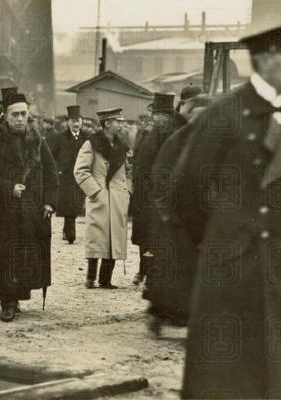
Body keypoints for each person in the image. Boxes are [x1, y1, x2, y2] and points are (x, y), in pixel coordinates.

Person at [178, 20, 281, 398]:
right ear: (267, 60)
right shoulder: (224, 114)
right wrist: (222, 238)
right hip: (232, 269)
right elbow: (186, 189)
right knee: (228, 376)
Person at [0, 92, 58, 322]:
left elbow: (51, 172)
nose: (20, 119)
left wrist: (50, 202)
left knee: (25, 254)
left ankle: (18, 295)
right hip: (2, 211)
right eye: (15, 115)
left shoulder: (37, 141)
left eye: (23, 114)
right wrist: (8, 187)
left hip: (31, 210)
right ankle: (7, 301)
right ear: (5, 116)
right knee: (4, 253)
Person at [142, 93, 210, 335]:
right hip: (173, 217)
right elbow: (159, 178)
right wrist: (166, 213)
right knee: (170, 272)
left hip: (198, 216)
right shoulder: (176, 141)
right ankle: (158, 313)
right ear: (189, 115)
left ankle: (188, 318)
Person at [74, 108, 132, 289]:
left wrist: (127, 191)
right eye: (117, 121)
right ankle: (90, 277)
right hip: (100, 197)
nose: (121, 124)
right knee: (97, 237)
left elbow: (128, 171)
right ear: (107, 123)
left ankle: (106, 279)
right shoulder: (91, 144)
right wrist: (95, 191)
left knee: (114, 238)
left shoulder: (121, 145)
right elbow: (80, 170)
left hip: (118, 198)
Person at [131, 93, 175, 285]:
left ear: (167, 116)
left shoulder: (176, 135)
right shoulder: (145, 134)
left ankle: (157, 272)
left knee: (162, 236)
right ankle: (143, 270)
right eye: (155, 114)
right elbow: (138, 161)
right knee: (145, 235)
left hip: (166, 195)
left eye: (158, 114)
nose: (155, 118)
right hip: (146, 194)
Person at [50, 105, 89, 244]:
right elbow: (52, 156)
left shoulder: (87, 137)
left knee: (77, 202)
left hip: (81, 175)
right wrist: (58, 169)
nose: (76, 124)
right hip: (65, 176)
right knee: (68, 203)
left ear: (81, 122)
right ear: (68, 123)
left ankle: (67, 230)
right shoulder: (60, 137)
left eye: (78, 121)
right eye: (73, 121)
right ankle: (70, 233)